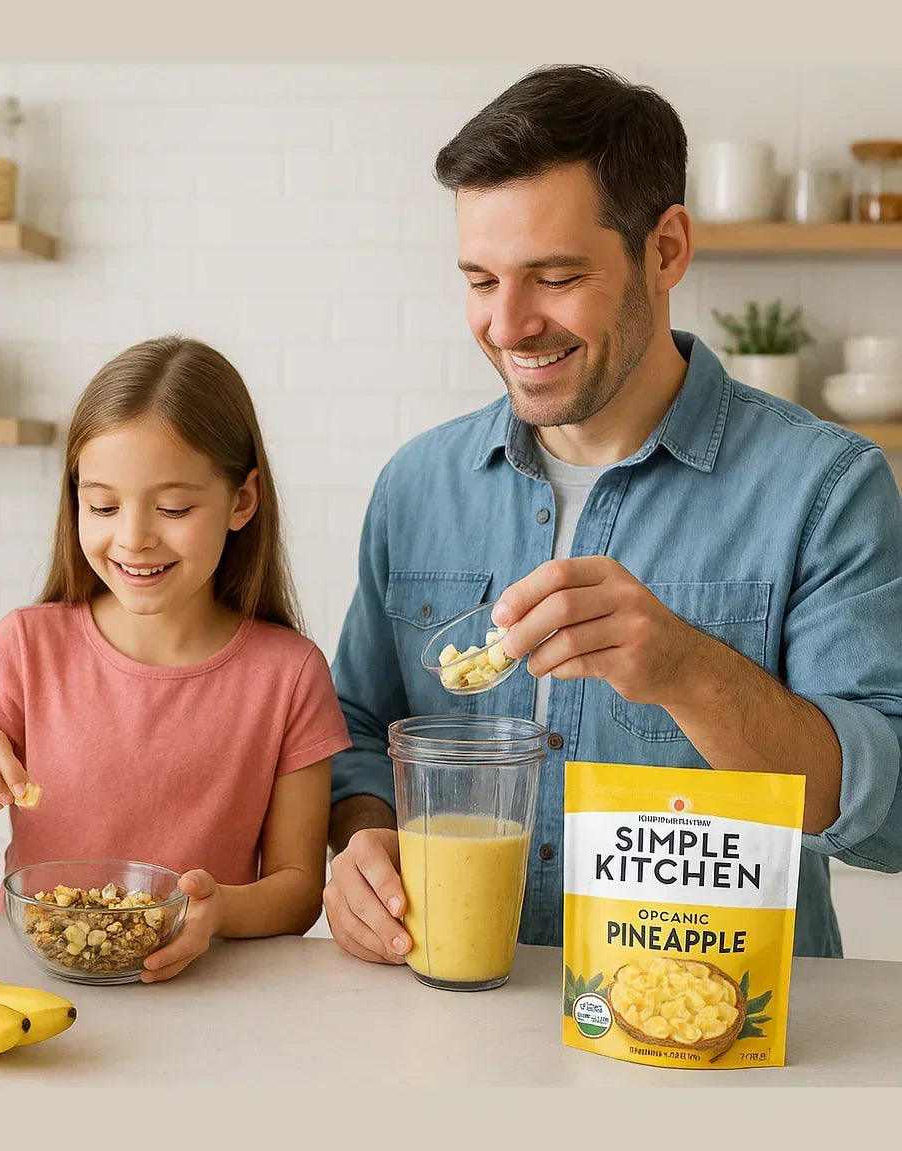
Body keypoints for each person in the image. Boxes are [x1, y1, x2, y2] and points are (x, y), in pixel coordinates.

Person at [324, 65, 902, 966]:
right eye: (479, 279)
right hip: (453, 1004)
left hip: (713, 1029)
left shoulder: (824, 486)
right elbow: (360, 728)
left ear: (665, 249)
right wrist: (360, 838)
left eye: (553, 276)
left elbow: (886, 815)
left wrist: (687, 670)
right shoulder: (416, 484)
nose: (508, 325)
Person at [0, 336, 351, 981]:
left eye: (173, 508)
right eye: (103, 506)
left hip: (209, 996)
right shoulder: (28, 648)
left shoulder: (290, 673)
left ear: (242, 501)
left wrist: (219, 910)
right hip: (36, 980)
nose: (133, 538)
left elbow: (299, 889)